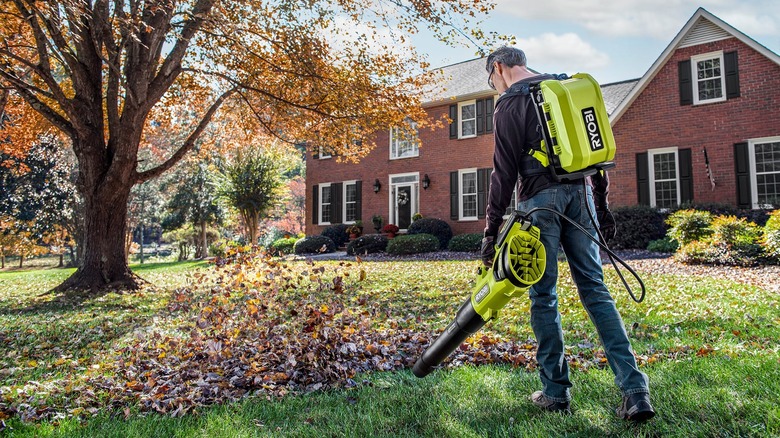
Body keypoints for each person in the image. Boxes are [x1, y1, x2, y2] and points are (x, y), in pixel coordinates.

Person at [481, 46, 655, 421]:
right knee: (595, 289)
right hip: (583, 197)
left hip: (539, 204)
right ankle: (635, 391)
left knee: (543, 296)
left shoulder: (511, 104)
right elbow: (596, 159)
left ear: (498, 68)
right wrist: (602, 208)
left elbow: (503, 173)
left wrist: (491, 229)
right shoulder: (565, 89)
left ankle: (555, 392)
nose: (495, 87)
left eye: (491, 81)